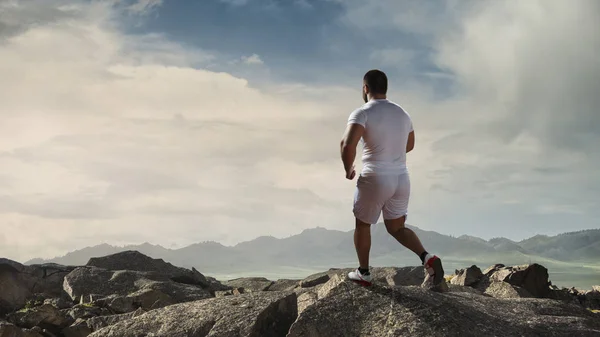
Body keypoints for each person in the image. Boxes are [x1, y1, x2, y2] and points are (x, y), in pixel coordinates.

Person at [339, 69, 444, 288]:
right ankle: (428, 258)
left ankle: (364, 273)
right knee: (397, 227)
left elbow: (347, 144)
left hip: (375, 177)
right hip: (401, 179)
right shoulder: (403, 114)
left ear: (365, 88)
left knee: (363, 224)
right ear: (385, 88)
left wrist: (349, 169)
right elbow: (410, 144)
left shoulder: (362, 112)